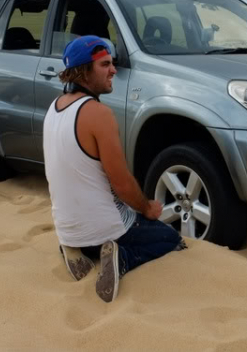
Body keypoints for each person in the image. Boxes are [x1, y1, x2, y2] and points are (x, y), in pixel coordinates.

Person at [43, 35, 185, 303]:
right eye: (105, 64)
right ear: (84, 71)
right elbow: (121, 183)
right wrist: (146, 208)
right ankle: (122, 258)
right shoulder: (98, 114)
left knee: (103, 221)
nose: (113, 70)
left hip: (66, 228)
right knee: (168, 238)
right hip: (106, 227)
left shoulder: (54, 108)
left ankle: (74, 249)